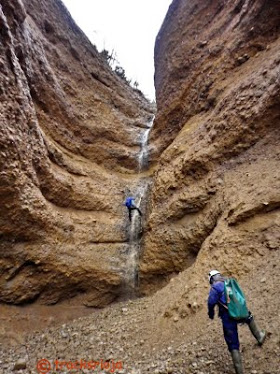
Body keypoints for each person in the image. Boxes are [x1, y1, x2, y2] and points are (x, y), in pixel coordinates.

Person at [207, 270, 266, 374]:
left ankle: (240, 371)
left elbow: (211, 302)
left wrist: (211, 314)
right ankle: (259, 336)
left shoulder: (215, 288)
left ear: (212, 279)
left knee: (233, 343)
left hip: (228, 316)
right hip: (239, 309)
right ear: (219, 275)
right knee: (249, 317)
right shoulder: (228, 281)